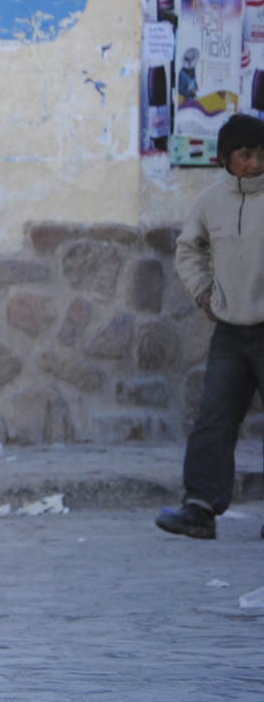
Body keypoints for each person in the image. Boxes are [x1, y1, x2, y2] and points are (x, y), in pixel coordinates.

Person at [159, 115, 264, 540]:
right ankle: (199, 508)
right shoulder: (209, 202)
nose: (255, 164)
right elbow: (188, 250)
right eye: (245, 156)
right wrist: (204, 295)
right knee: (214, 420)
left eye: (261, 154)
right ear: (224, 159)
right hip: (230, 334)